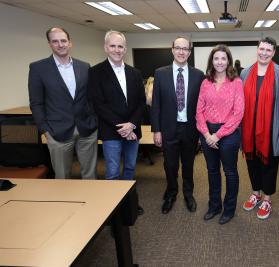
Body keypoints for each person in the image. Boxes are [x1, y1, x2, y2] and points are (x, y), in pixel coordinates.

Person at [28, 27, 97, 179]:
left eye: (63, 41)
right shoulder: (38, 68)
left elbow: (91, 97)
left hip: (87, 128)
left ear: (70, 43)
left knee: (90, 175)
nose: (60, 44)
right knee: (62, 177)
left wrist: (94, 120)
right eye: (55, 41)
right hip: (57, 131)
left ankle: (92, 201)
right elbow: (36, 103)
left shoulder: (84, 66)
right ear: (49, 44)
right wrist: (45, 130)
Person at [88, 30, 145, 214]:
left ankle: (129, 205)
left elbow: (141, 102)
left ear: (125, 49)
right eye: (112, 45)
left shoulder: (135, 73)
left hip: (133, 130)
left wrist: (132, 125)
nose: (117, 49)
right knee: (112, 172)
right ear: (106, 47)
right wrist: (122, 127)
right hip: (111, 131)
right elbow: (98, 104)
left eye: (120, 46)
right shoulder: (96, 72)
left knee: (129, 169)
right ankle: (113, 212)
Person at [151, 37, 205, 214]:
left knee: (188, 165)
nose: (182, 52)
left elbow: (201, 105)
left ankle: (188, 194)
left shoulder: (198, 75)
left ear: (189, 52)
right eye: (178, 48)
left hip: (190, 129)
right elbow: (156, 104)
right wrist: (156, 130)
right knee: (170, 165)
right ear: (172, 50)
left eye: (185, 49)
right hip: (168, 129)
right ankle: (172, 193)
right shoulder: (160, 73)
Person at [241, 37, 279, 220]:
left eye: (268, 50)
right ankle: (256, 193)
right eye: (262, 49)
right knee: (251, 162)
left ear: (274, 52)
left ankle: (267, 199)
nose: (264, 53)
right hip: (248, 130)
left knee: (269, 165)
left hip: (271, 130)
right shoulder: (246, 72)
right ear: (257, 49)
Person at [196, 45, 244, 225]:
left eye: (223, 58)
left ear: (228, 61)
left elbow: (238, 113)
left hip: (229, 133)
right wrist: (207, 134)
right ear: (211, 61)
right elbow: (199, 110)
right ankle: (214, 206)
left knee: (230, 172)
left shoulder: (236, 82)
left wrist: (218, 135)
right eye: (216, 58)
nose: (220, 62)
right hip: (207, 131)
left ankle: (229, 209)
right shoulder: (205, 82)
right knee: (212, 171)